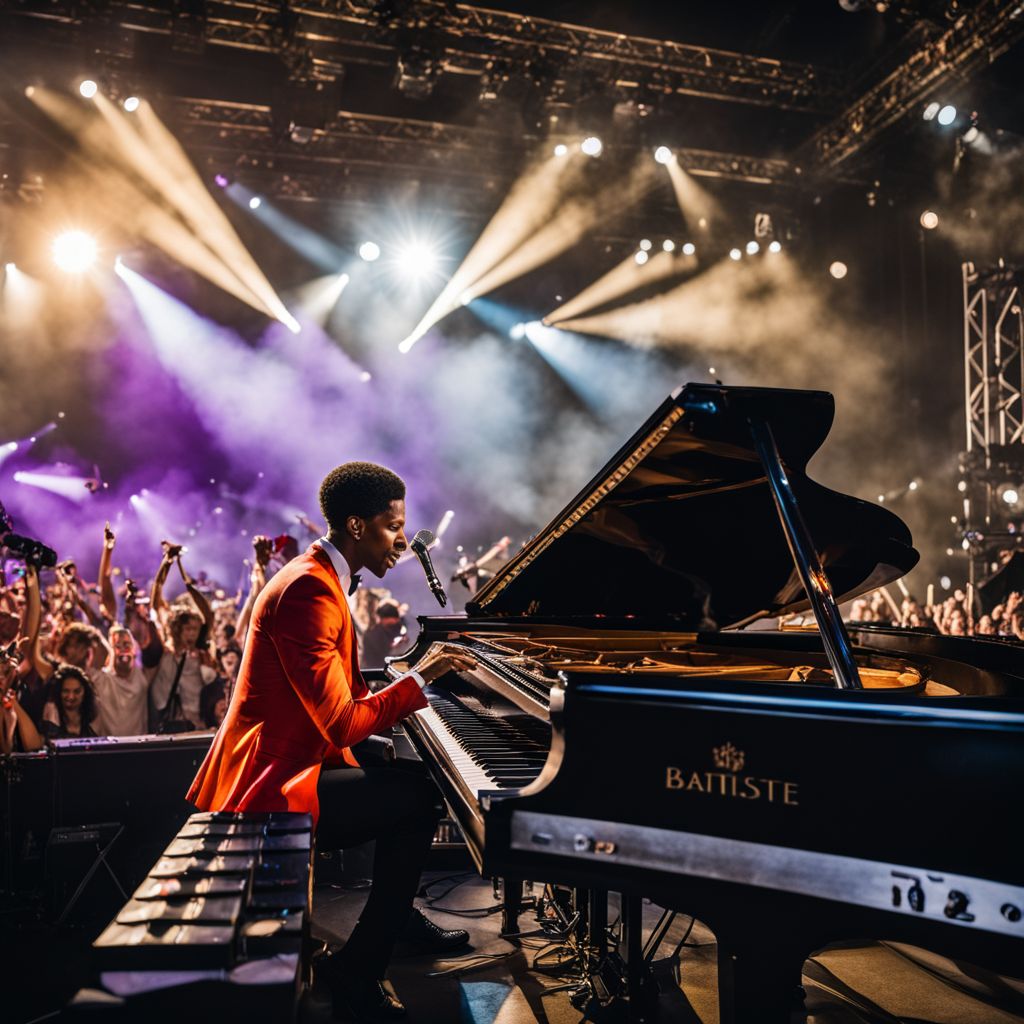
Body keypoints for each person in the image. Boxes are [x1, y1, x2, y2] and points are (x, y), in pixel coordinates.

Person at [187, 462, 476, 1021]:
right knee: (417, 804)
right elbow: (341, 722)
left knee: (408, 775)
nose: (401, 540)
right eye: (393, 526)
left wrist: (408, 704)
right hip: (268, 784)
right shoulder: (307, 591)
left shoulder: (319, 576)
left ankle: (398, 916)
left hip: (290, 758)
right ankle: (359, 967)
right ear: (356, 524)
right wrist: (423, 680)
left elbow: (341, 697)